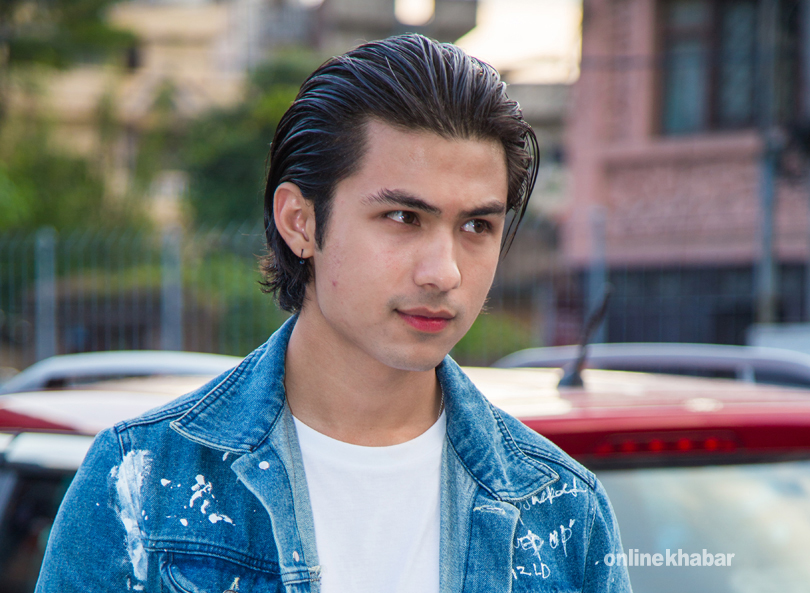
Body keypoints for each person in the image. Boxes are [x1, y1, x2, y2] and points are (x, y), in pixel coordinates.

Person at [36, 34, 631, 592]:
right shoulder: (141, 481)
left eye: (476, 226)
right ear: (300, 222)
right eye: (403, 218)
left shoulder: (563, 509)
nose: (444, 272)